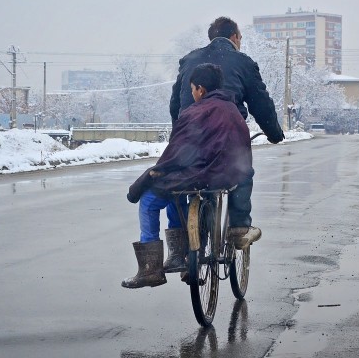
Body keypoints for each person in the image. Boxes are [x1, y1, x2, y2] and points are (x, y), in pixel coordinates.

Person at [122, 63, 254, 289]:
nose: (193, 94)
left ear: (200, 89)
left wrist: (154, 173)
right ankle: (182, 256)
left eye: (193, 89)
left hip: (201, 174)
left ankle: (151, 269)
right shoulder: (234, 111)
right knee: (177, 192)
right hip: (229, 177)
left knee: (152, 199)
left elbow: (177, 153)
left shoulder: (195, 111)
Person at [170, 16, 285, 250]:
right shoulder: (243, 62)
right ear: (234, 37)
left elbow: (175, 104)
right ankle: (239, 227)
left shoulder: (189, 59)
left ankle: (188, 248)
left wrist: (178, 133)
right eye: (240, 38)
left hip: (190, 135)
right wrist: (273, 133)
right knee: (242, 168)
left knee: (190, 177)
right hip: (225, 136)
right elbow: (260, 104)